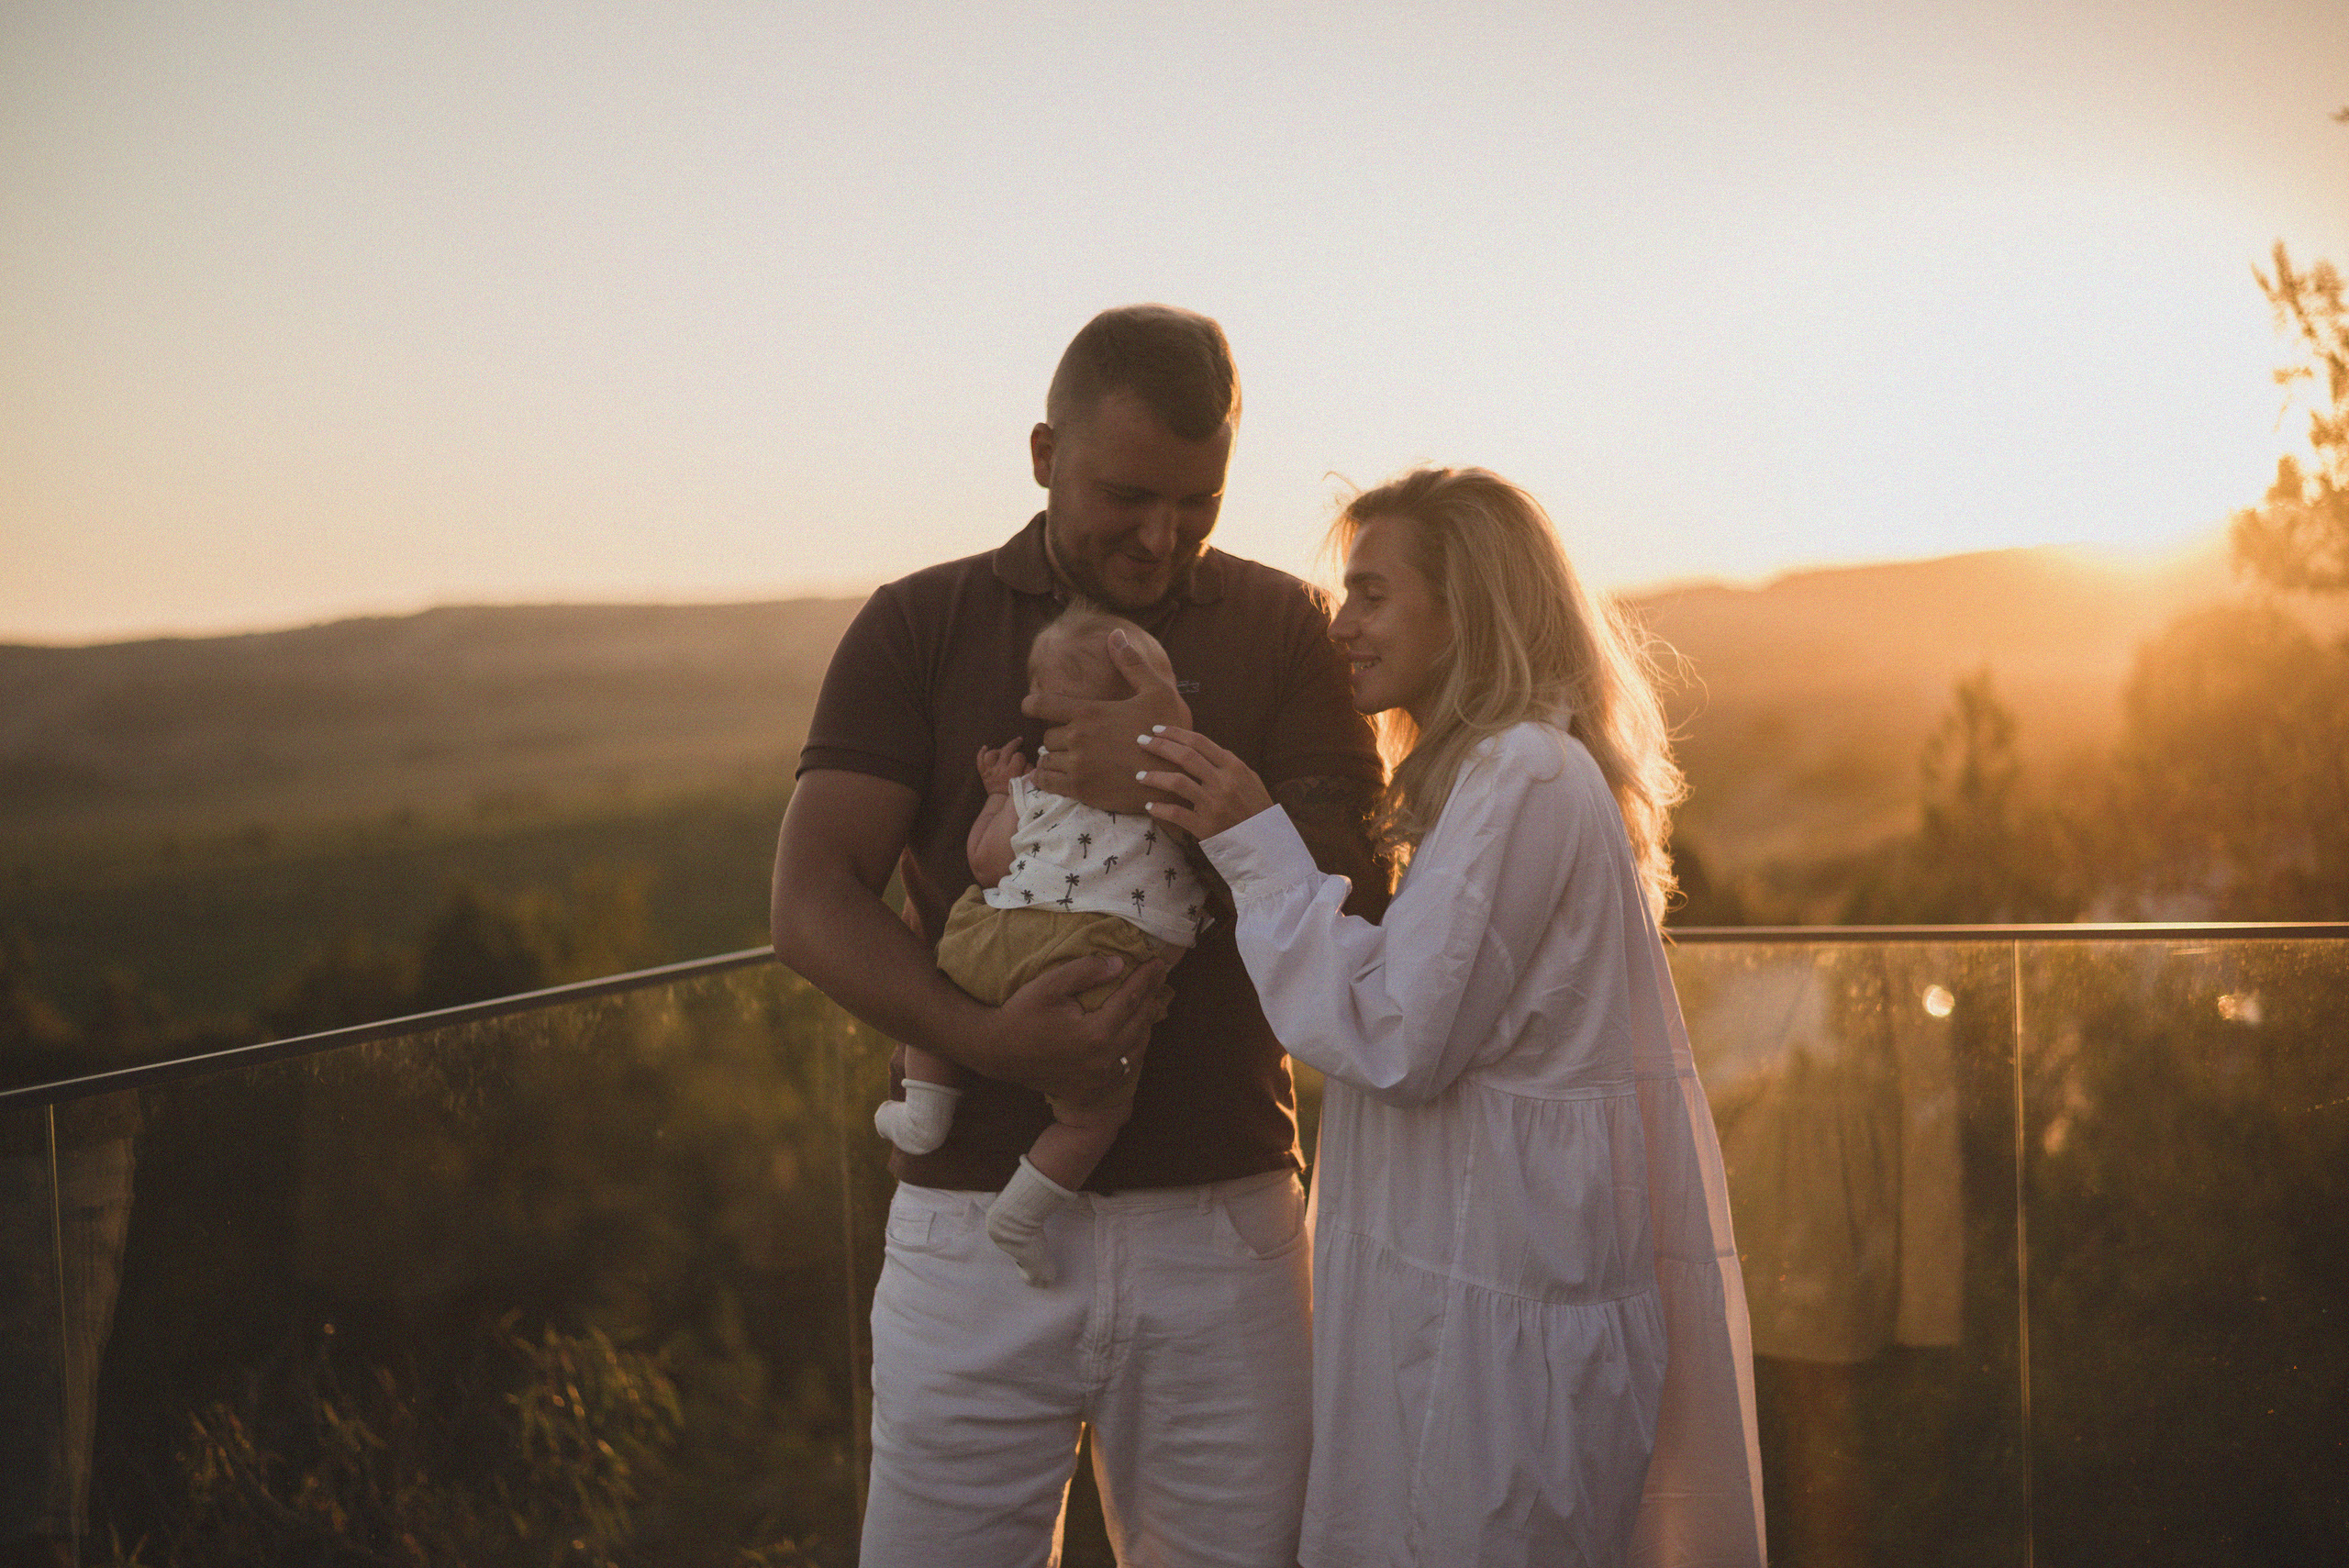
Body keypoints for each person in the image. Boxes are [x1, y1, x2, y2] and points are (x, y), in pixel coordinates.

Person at [770, 304, 1386, 1567]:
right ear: (1044, 452)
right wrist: (987, 1039)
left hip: (1227, 1234)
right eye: (1128, 495)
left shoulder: (1284, 630)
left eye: (1198, 500)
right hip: (967, 1235)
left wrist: (1174, 782)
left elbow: (1357, 903)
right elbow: (811, 895)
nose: (1163, 536)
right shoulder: (917, 623)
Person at [1137, 466, 1767, 1566]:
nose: (1344, 625)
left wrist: (1254, 840)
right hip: (1482, 1303)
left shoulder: (1525, 773)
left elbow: (1398, 1032)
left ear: (1467, 606)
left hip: (1490, 1342)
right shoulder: (1505, 773)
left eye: (1373, 593)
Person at [875, 605, 1208, 1287]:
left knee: (943, 975)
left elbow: (986, 862)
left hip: (1006, 941)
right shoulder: (1169, 792)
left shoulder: (1038, 791)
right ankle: (1022, 1213)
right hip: (1103, 966)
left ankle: (924, 1109)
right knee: (1095, 1113)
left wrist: (1000, 796)